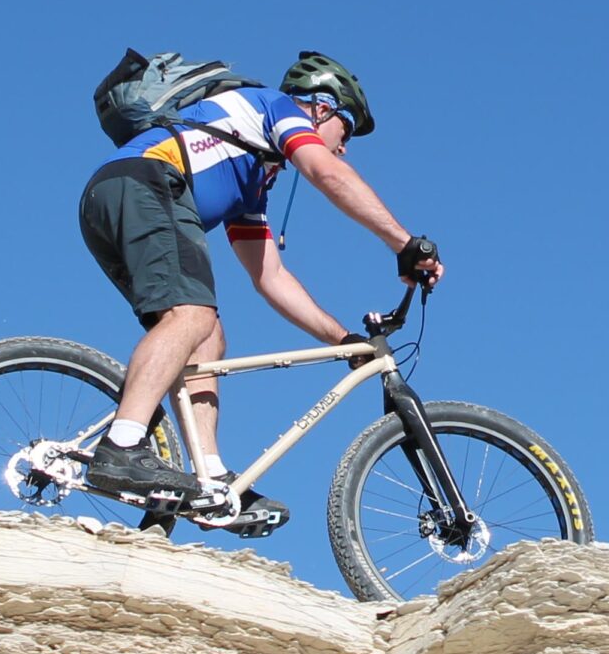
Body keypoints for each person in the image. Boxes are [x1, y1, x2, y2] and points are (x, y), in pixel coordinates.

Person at [75, 51, 442, 518]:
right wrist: (405, 244)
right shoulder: (272, 107)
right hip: (144, 182)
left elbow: (269, 276)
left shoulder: (251, 171)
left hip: (114, 198)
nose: (344, 146)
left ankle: (210, 476)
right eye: (344, 131)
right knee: (192, 314)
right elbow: (326, 173)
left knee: (207, 334)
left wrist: (343, 341)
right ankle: (123, 444)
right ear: (321, 108)